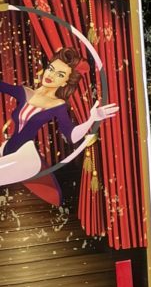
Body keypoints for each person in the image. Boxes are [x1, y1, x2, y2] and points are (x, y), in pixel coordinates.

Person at [0, 48, 120, 206]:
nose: (51, 75)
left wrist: (92, 118)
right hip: (6, 149)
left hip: (26, 157)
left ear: (65, 82)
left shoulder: (58, 105)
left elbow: (72, 136)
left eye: (60, 74)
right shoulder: (25, 93)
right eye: (51, 69)